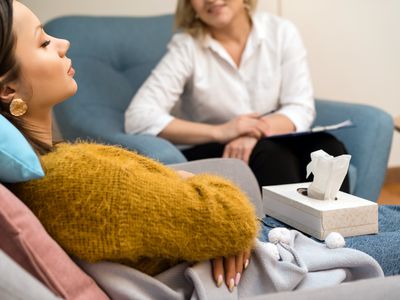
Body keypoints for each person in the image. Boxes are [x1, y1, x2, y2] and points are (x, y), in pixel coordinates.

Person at [0, 0, 259, 292]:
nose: (63, 43)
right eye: (44, 42)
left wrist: (178, 182)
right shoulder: (76, 181)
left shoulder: (57, 167)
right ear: (8, 89)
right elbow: (233, 221)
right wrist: (184, 183)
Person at [125, 0, 350, 191]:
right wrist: (222, 131)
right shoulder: (187, 47)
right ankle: (281, 241)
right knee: (271, 154)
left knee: (327, 149)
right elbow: (138, 116)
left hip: (269, 134)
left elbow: (300, 106)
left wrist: (253, 133)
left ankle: (343, 236)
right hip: (213, 147)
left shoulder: (281, 32)